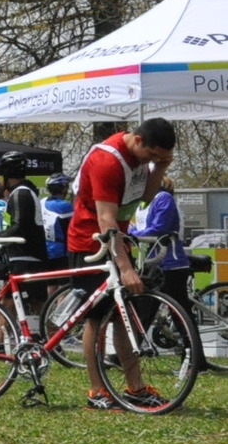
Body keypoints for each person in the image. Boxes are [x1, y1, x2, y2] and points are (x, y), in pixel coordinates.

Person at [67, 117, 177, 411]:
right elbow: (106, 220)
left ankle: (136, 389)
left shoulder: (140, 158)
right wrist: (126, 268)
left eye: (160, 158)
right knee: (96, 319)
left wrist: (159, 168)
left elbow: (147, 196)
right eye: (153, 155)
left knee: (122, 316)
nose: (153, 160)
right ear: (138, 140)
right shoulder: (108, 160)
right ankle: (96, 391)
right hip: (91, 242)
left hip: (118, 240)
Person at [130, 171, 193, 311]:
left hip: (172, 264)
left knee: (180, 311)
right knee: (144, 311)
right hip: (154, 262)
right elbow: (136, 226)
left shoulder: (163, 198)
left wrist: (131, 234)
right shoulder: (143, 203)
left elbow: (158, 228)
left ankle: (188, 333)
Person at [42, 172, 74, 263]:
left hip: (45, 249)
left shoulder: (42, 201)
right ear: (63, 189)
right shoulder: (64, 205)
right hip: (60, 252)